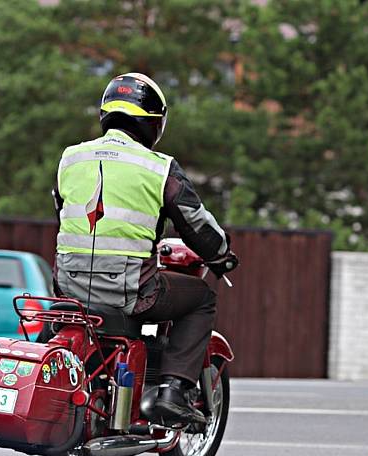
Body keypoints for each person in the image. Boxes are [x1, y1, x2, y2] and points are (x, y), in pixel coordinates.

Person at [52, 72, 238, 424]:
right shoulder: (158, 168)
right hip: (131, 292)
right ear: (154, 122)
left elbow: (61, 214)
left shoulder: (70, 159)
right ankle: (173, 391)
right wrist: (221, 255)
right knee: (202, 298)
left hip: (68, 288)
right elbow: (196, 224)